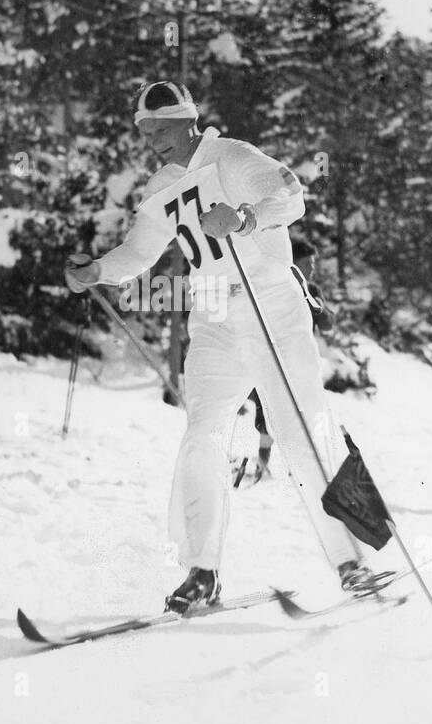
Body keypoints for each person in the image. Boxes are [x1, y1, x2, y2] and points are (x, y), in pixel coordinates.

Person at [65, 80, 369, 613]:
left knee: (301, 428)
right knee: (201, 435)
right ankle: (201, 571)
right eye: (146, 132)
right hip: (211, 314)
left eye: (162, 129)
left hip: (268, 299)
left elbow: (290, 196)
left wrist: (245, 217)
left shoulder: (232, 156)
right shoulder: (161, 186)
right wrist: (97, 271)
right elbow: (140, 250)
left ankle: (354, 560)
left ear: (189, 121)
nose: (154, 140)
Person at [238, 237, 334, 484]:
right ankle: (263, 464)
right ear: (294, 261)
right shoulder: (276, 284)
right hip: (273, 359)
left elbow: (328, 324)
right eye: (307, 262)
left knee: (305, 415)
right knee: (266, 415)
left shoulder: (312, 291)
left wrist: (319, 307)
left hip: (301, 363)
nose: (312, 268)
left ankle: (302, 469)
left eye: (313, 263)